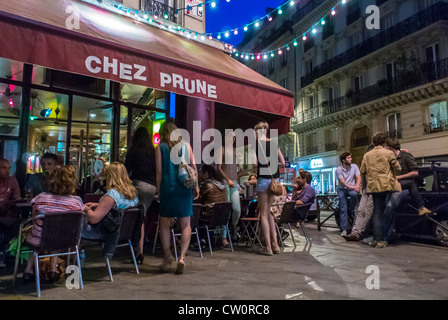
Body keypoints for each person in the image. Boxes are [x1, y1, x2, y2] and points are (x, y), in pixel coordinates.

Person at [21, 165, 84, 283]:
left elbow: (34, 216)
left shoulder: (41, 197)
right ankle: (53, 270)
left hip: (40, 239)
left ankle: (28, 271)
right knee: (55, 236)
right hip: (66, 240)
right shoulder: (77, 202)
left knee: (36, 236)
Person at [155, 121, 198, 274]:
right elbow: (193, 167)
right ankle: (182, 258)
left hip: (168, 188)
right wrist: (196, 186)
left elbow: (159, 172)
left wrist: (159, 190)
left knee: (164, 224)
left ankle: (167, 256)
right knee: (186, 224)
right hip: (184, 189)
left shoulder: (161, 148)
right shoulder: (187, 146)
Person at [82, 162, 139, 260]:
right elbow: (118, 209)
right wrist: (98, 205)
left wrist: (86, 210)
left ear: (110, 177)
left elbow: (93, 219)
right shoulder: (133, 195)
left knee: (73, 228)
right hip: (124, 233)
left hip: (106, 232)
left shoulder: (112, 194)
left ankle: (70, 260)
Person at [360, 132, 401, 249]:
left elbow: (362, 170)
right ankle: (383, 238)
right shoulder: (388, 153)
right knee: (385, 211)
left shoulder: (367, 155)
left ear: (373, 142)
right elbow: (398, 168)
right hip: (386, 185)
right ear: (384, 142)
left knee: (377, 212)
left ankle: (377, 239)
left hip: (373, 186)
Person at [125, 127, 157, 264]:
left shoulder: (133, 151)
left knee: (137, 218)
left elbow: (126, 171)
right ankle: (139, 249)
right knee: (142, 216)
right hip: (152, 187)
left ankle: (138, 250)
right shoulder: (153, 152)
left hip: (138, 185)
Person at [253, 121, 285, 256]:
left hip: (262, 180)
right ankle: (276, 245)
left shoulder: (256, 144)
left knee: (264, 214)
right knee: (270, 212)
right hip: (274, 180)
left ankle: (268, 247)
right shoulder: (274, 142)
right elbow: (283, 162)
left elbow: (255, 164)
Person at [385, 139, 431, 216]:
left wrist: (398, 177)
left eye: (386, 147)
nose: (384, 149)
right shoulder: (389, 158)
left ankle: (421, 207)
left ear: (390, 147)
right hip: (391, 185)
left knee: (410, 183)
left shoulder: (406, 156)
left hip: (402, 185)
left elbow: (415, 173)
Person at [343, 144, 375, 242]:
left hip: (375, 189)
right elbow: (363, 176)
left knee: (367, 212)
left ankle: (360, 233)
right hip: (367, 189)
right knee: (360, 211)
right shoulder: (367, 163)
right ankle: (355, 233)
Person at [217, 131, 241, 243]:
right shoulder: (221, 149)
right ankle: (223, 236)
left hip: (234, 182)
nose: (233, 139)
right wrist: (227, 179)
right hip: (225, 182)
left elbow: (238, 169)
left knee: (237, 209)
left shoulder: (235, 151)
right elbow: (218, 168)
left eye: (234, 137)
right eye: (231, 137)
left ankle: (234, 227)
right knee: (226, 210)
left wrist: (239, 179)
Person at [198, 165, 227, 247]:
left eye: (201, 173)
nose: (200, 175)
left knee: (195, 214)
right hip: (221, 216)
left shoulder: (207, 185)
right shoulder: (221, 185)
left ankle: (200, 239)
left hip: (209, 215)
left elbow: (198, 199)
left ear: (206, 173)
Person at [0, 159, 21, 267]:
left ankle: (6, 253)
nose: (7, 171)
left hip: (7, 214)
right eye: (3, 168)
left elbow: (17, 199)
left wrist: (10, 209)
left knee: (19, 223)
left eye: (9, 168)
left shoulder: (13, 181)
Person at [336, 152, 361, 236]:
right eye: (348, 158)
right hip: (342, 189)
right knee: (343, 209)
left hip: (352, 188)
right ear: (343, 160)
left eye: (350, 157)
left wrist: (357, 185)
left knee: (354, 195)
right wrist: (354, 187)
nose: (351, 159)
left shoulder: (354, 166)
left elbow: (358, 177)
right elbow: (343, 182)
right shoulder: (338, 169)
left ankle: (352, 208)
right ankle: (344, 230)